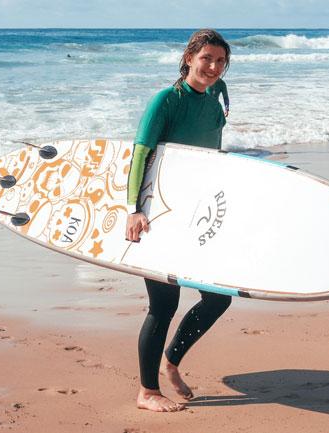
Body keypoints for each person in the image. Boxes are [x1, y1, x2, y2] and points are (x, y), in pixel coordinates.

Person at [125, 29, 232, 413]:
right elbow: (140, 155)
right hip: (158, 213)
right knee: (163, 304)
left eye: (220, 61)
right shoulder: (165, 101)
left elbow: (213, 162)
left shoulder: (217, 101)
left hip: (196, 215)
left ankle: (171, 362)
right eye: (206, 59)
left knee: (219, 297)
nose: (213, 67)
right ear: (189, 58)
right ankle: (147, 391)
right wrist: (134, 209)